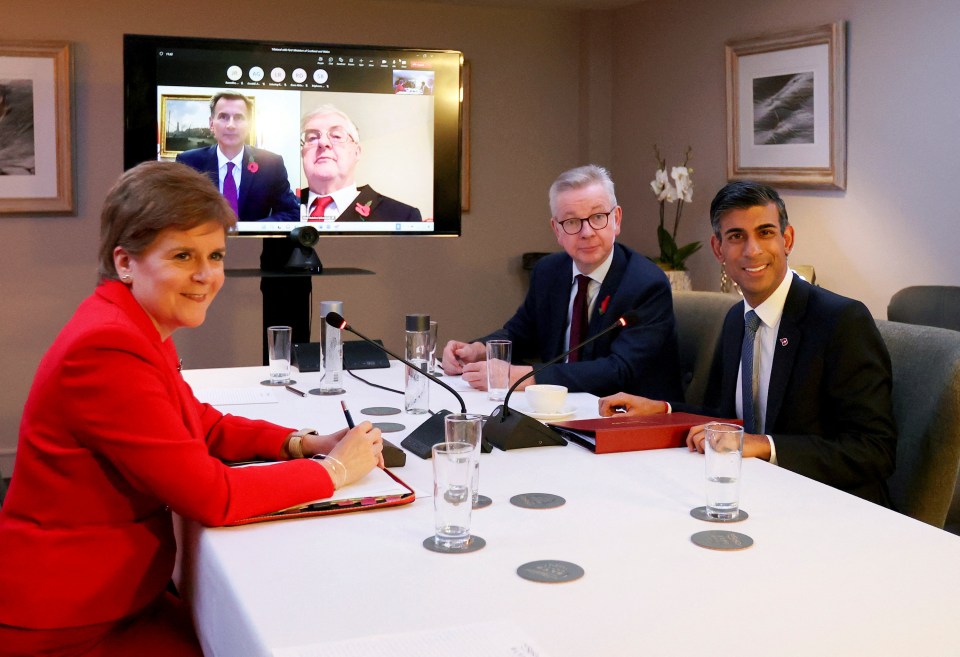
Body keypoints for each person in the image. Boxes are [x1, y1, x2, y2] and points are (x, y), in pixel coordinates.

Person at [0, 161, 384, 656]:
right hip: (69, 621)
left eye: (216, 255)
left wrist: (299, 442)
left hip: (118, 596)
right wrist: (332, 470)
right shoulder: (107, 347)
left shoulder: (130, 322)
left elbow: (195, 422)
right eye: (183, 255)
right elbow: (211, 497)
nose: (207, 276)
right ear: (125, 262)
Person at [599, 181, 897, 505]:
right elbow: (725, 419)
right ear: (718, 249)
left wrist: (764, 446)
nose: (752, 250)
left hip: (831, 506)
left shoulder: (840, 321)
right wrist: (664, 410)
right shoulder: (735, 320)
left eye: (765, 233)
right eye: (736, 236)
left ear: (787, 239)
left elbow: (874, 451)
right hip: (752, 494)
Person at [442, 164, 683, 400]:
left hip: (627, 421)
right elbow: (520, 333)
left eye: (598, 217)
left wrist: (520, 377)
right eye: (572, 222)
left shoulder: (646, 284)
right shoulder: (549, 272)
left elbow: (619, 370)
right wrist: (478, 351)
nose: (587, 232)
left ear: (616, 219)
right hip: (558, 409)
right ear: (556, 230)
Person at [175, 91, 307, 362]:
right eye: (223, 117)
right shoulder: (190, 161)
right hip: (204, 264)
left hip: (258, 265)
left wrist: (248, 228)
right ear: (212, 124)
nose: (231, 124)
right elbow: (178, 212)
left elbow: (290, 212)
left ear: (249, 124)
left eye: (239, 118)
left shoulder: (270, 162)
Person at [299, 105, 422, 222]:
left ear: (357, 152)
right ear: (302, 153)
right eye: (312, 138)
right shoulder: (281, 207)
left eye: (336, 136)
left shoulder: (403, 216)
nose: (322, 142)